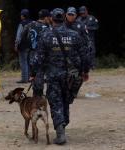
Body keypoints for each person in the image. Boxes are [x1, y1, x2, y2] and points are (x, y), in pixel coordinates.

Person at [30, 8, 89, 145]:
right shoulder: (74, 35)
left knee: (56, 102)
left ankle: (60, 130)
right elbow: (84, 55)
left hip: (53, 75)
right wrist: (84, 71)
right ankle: (63, 125)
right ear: (63, 18)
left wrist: (33, 73)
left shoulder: (46, 35)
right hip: (71, 76)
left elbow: (38, 58)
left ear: (51, 18)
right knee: (65, 101)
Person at [21, 9, 50, 96]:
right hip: (46, 55)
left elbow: (22, 36)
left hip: (33, 54)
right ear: (45, 18)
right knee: (48, 75)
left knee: (36, 76)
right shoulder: (48, 28)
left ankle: (37, 94)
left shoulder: (30, 25)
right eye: (49, 18)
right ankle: (45, 95)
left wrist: (29, 45)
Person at [64, 7, 90, 96]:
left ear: (75, 15)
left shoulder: (81, 25)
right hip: (63, 54)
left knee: (78, 76)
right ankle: (65, 90)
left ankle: (74, 92)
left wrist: (86, 51)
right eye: (69, 14)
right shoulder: (61, 25)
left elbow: (87, 40)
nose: (70, 16)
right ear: (66, 15)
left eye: (72, 15)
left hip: (77, 54)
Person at [15, 9, 32, 83]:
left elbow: (19, 36)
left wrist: (16, 45)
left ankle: (24, 79)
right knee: (28, 62)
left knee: (23, 62)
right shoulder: (32, 23)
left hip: (22, 46)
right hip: (30, 45)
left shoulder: (22, 24)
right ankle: (28, 78)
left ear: (23, 15)